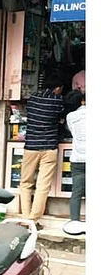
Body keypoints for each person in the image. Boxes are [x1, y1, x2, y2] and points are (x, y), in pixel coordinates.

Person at [19, 81, 65, 224]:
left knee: (25, 183)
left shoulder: (32, 99)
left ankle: (25, 218)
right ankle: (33, 220)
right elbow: (61, 118)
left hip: (31, 147)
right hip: (49, 148)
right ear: (57, 88)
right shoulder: (58, 101)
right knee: (43, 186)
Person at [63, 90, 85, 236]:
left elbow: (70, 131)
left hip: (77, 158)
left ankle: (74, 222)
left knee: (76, 193)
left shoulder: (70, 116)